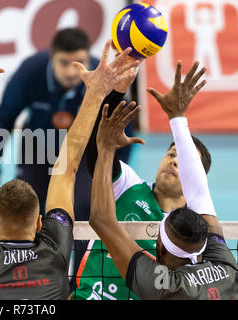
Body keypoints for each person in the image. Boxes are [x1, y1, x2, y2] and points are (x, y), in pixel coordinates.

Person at [0, 36, 139, 299]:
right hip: (38, 153)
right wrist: (97, 93)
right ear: (41, 223)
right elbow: (67, 172)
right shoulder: (54, 252)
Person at [0, 27, 135, 288]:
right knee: (26, 215)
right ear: (51, 57)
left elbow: (123, 128)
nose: (71, 71)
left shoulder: (103, 77)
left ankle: (77, 283)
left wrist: (113, 176)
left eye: (78, 62)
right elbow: (4, 116)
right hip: (37, 151)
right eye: (64, 63)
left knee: (79, 217)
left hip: (83, 157)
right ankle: (26, 277)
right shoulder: (31, 71)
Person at [89, 61, 237, 299]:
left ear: (160, 250)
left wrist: (106, 146)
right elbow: (200, 195)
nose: (175, 161)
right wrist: (178, 117)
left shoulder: (162, 285)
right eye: (171, 154)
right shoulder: (225, 270)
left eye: (182, 160)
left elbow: (101, 220)